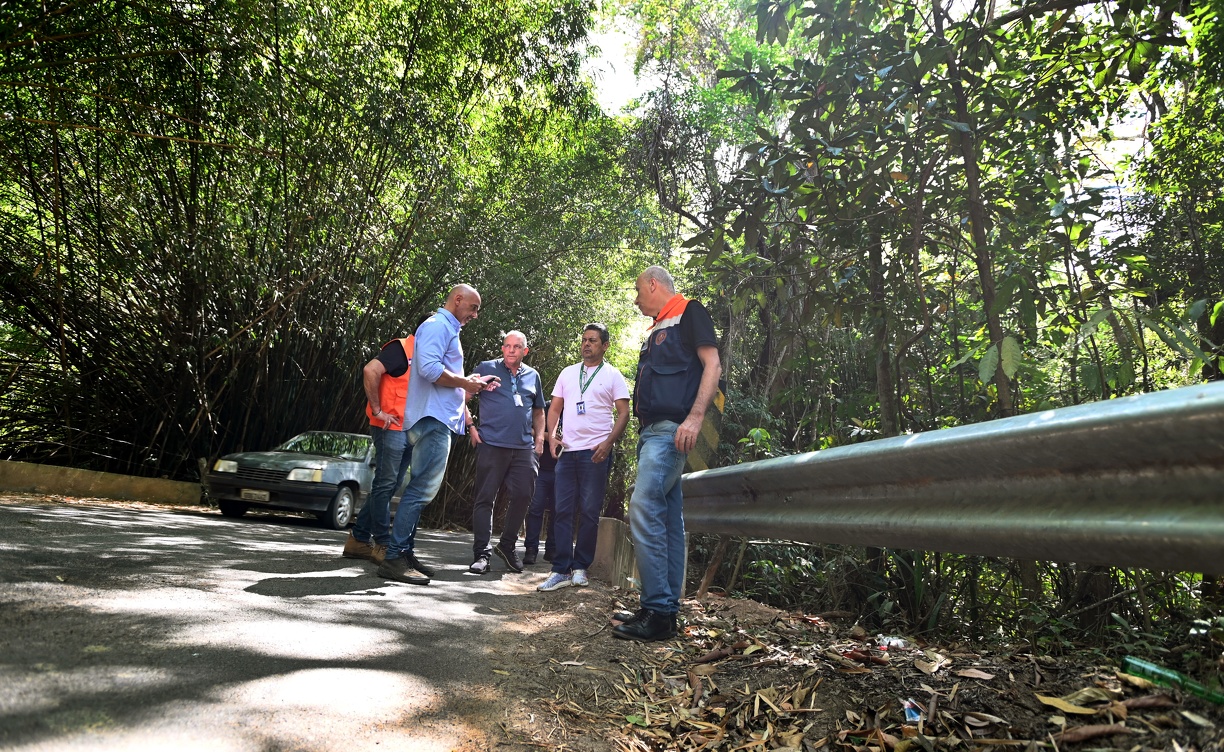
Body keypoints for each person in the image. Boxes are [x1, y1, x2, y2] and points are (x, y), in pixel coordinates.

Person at [612, 266, 721, 641]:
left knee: (642, 508)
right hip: (652, 434)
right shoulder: (657, 327)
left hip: (672, 433)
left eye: (638, 291)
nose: (636, 298)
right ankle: (661, 608)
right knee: (670, 521)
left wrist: (695, 419)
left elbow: (713, 365)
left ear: (653, 285)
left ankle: (658, 611)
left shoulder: (689, 311)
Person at [377, 284, 493, 586]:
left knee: (418, 490)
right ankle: (394, 557)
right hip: (432, 420)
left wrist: (466, 381)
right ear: (457, 300)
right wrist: (465, 384)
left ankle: (405, 553)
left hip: (433, 418)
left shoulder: (444, 328)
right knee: (419, 491)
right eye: (473, 307)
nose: (475, 315)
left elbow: (438, 371)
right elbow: (429, 369)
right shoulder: (438, 325)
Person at [538, 323, 631, 593]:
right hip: (568, 451)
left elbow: (624, 413)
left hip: (595, 453)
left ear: (605, 345)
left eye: (592, 340)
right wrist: (551, 436)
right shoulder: (568, 373)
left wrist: (608, 443)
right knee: (562, 509)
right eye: (583, 340)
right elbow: (555, 407)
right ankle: (560, 569)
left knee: (589, 512)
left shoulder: (613, 375)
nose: (586, 345)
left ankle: (581, 567)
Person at [468, 331, 546, 574]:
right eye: (507, 346)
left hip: (523, 447)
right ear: (502, 349)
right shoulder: (486, 367)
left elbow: (539, 410)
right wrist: (470, 426)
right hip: (491, 443)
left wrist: (540, 437)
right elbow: (462, 395)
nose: (511, 350)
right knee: (485, 499)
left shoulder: (533, 375)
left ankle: (507, 545)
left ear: (525, 351)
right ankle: (482, 554)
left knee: (524, 494)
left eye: (517, 346)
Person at [342, 332, 416, 565]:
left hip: (410, 428)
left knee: (390, 484)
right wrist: (377, 410)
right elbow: (370, 370)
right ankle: (383, 543)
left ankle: (359, 540)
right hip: (389, 426)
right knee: (385, 483)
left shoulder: (431, 354)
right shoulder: (401, 349)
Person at [523, 400, 557, 565]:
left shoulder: (574, 409)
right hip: (541, 467)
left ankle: (551, 550)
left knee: (558, 512)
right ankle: (531, 549)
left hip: (563, 470)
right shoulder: (545, 407)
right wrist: (550, 437)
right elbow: (528, 429)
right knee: (535, 509)